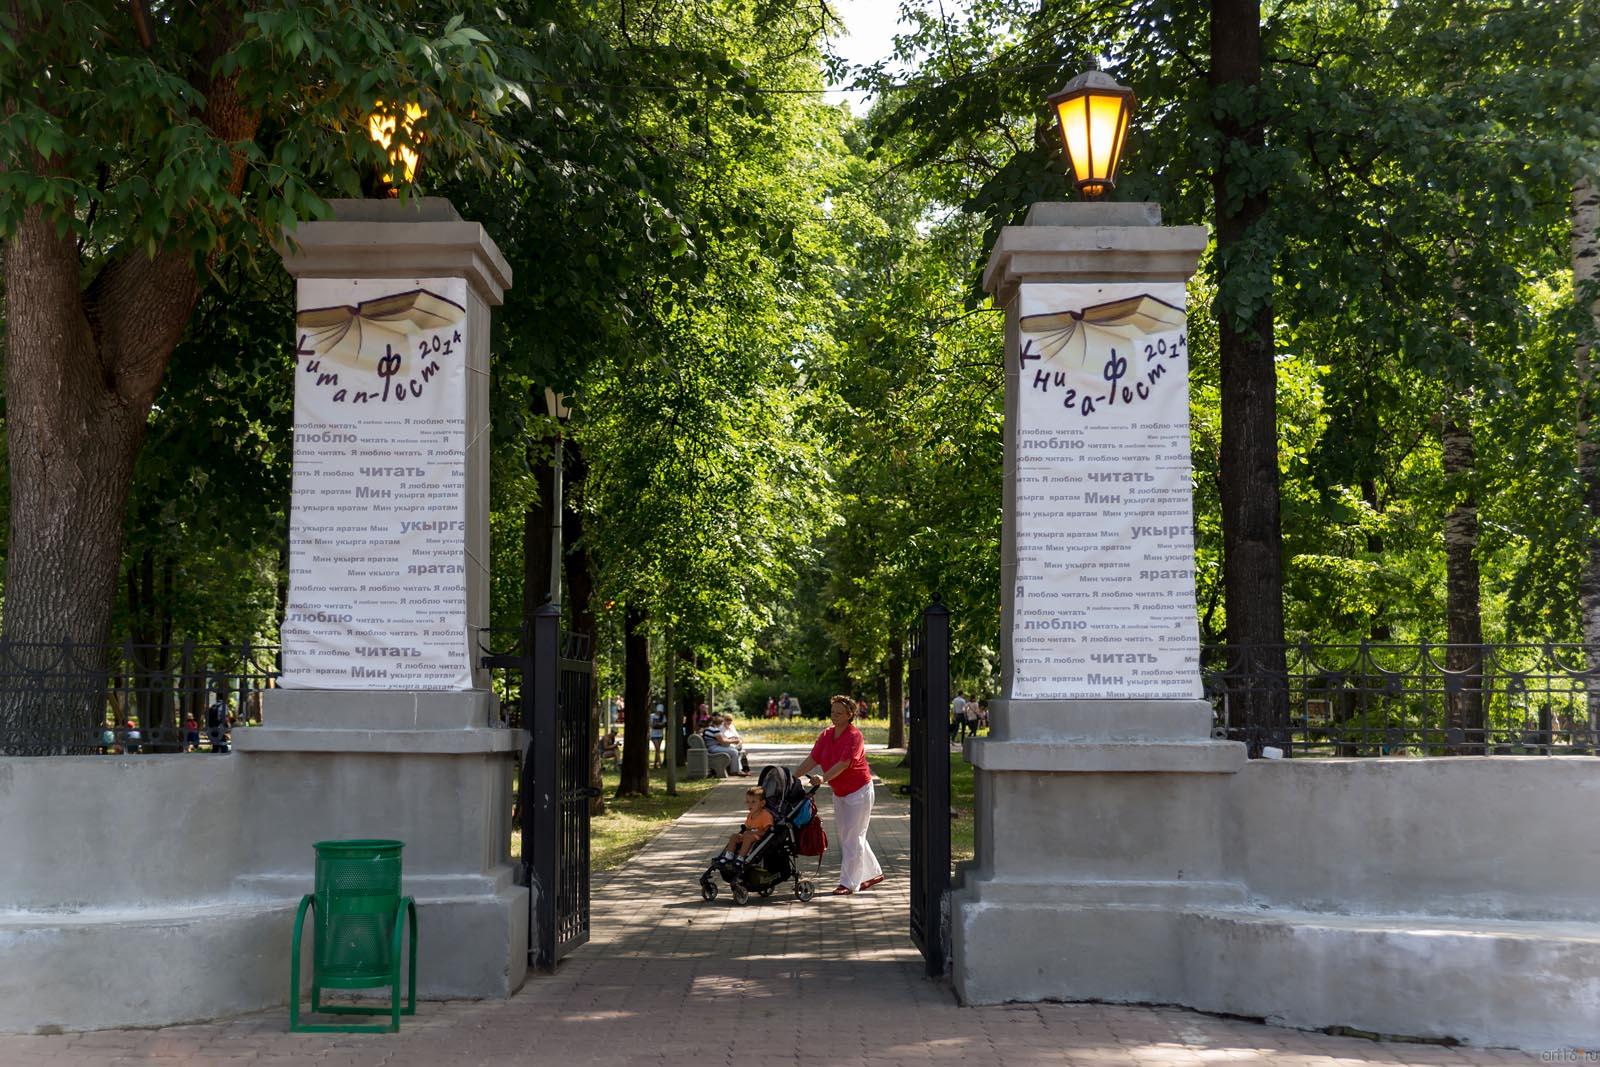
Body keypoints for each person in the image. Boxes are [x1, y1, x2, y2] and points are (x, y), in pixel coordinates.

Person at [796, 694, 883, 895]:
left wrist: (823, 779)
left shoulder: (855, 736)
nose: (834, 716)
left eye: (839, 713)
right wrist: (792, 776)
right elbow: (813, 758)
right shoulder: (826, 735)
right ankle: (872, 873)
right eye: (833, 712)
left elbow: (844, 763)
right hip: (840, 792)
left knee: (853, 837)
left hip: (859, 791)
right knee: (850, 836)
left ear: (850, 715)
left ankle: (849, 883)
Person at [717, 785, 774, 866]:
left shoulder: (765, 815)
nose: (750, 805)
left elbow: (767, 832)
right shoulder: (750, 815)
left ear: (762, 803)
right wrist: (742, 835)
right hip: (749, 835)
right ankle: (728, 856)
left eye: (753, 802)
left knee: (747, 836)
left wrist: (754, 833)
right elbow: (747, 828)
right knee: (734, 836)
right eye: (748, 802)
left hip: (759, 837)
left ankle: (741, 857)